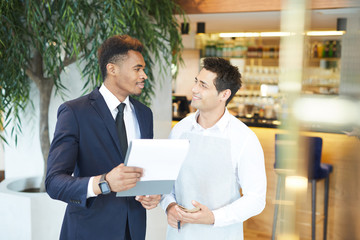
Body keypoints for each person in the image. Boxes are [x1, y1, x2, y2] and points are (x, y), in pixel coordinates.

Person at [46, 35, 161, 240]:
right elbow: (54, 183)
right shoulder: (74, 112)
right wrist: (104, 182)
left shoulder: (145, 114)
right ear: (112, 69)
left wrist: (152, 194)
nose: (144, 75)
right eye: (137, 68)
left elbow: (144, 170)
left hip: (133, 230)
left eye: (143, 69)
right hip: (89, 230)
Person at [160, 57, 267, 240]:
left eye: (203, 85)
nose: (194, 89)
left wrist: (214, 217)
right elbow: (166, 183)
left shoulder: (244, 138)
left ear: (224, 95)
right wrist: (169, 206)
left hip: (222, 234)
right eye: (196, 82)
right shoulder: (180, 130)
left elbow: (256, 199)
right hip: (179, 234)